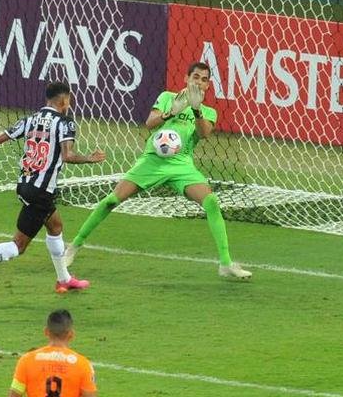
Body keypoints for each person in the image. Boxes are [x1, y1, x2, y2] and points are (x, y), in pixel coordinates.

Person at [64, 62, 251, 280]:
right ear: (186, 79)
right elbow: (150, 123)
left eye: (204, 79)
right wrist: (171, 112)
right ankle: (74, 246)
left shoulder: (208, 111)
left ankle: (226, 264)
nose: (199, 82)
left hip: (181, 164)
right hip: (152, 160)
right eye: (196, 77)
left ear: (208, 85)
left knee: (211, 202)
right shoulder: (167, 97)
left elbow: (205, 133)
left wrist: (196, 109)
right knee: (111, 201)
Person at [0, 81, 106, 294]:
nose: (70, 104)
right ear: (64, 100)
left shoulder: (30, 120)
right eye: (69, 100)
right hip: (41, 191)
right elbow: (68, 155)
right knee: (18, 246)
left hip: (25, 185)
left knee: (55, 226)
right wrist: (90, 159)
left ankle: (63, 279)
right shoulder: (65, 123)